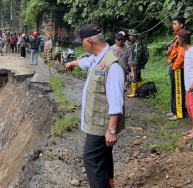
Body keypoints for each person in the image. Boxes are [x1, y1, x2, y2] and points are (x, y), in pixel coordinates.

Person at [64, 24, 126, 188]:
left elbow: (116, 101)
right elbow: (87, 62)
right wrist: (73, 63)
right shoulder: (99, 57)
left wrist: (111, 130)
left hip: (102, 125)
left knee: (91, 159)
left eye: (82, 42)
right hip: (98, 122)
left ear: (89, 41)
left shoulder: (112, 65)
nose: (81, 45)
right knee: (103, 158)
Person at [177, 29, 193, 139]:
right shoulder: (187, 51)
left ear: (181, 41)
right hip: (189, 85)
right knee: (190, 107)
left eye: (178, 39)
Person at [166, 15, 186, 121]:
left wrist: (174, 66)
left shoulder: (182, 36)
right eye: (173, 23)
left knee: (178, 90)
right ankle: (174, 110)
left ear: (181, 25)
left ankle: (179, 113)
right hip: (174, 66)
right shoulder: (177, 35)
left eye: (175, 24)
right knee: (174, 89)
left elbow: (181, 54)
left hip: (178, 68)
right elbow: (174, 52)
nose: (173, 26)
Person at [126, 29, 144, 98]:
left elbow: (137, 55)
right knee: (138, 77)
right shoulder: (134, 42)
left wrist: (134, 65)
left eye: (131, 35)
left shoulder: (137, 43)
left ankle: (134, 92)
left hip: (136, 63)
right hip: (137, 63)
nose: (129, 36)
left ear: (134, 35)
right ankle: (139, 91)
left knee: (134, 77)